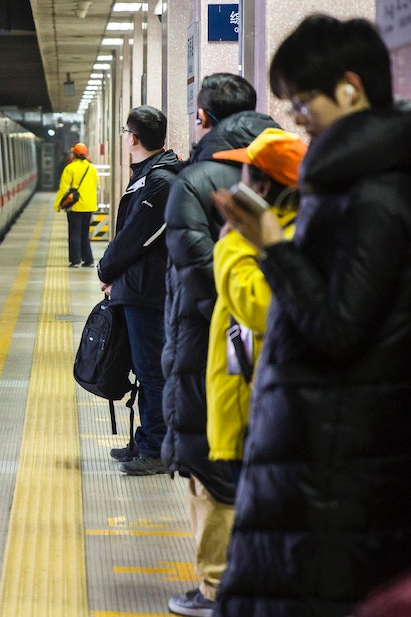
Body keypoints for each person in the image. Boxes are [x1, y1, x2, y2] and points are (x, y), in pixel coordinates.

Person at [212, 14, 411, 617]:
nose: (296, 118)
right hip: (319, 460)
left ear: (350, 87)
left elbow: (339, 330)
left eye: (301, 101)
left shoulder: (381, 195)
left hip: (336, 474)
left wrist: (274, 245)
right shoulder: (350, 185)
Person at [161, 73, 279, 617]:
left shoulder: (194, 180)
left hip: (214, 343)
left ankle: (215, 586)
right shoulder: (284, 172)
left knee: (208, 461)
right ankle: (253, 574)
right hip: (275, 335)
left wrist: (225, 320)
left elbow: (194, 271)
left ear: (202, 118)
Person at [205, 128, 306, 488]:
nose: (237, 182)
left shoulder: (287, 239)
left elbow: (261, 306)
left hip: (257, 416)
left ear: (260, 187)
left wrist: (230, 245)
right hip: (254, 411)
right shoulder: (283, 233)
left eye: (244, 173)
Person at [97, 106, 183, 472]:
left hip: (148, 290)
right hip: (138, 286)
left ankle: (157, 449)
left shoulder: (160, 181)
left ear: (132, 137)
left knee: (152, 369)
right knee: (144, 368)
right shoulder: (150, 175)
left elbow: (136, 236)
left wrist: (106, 269)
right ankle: (147, 440)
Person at [54, 142, 99, 267]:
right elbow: (97, 186)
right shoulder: (92, 168)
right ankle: (88, 260)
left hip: (75, 206)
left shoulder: (70, 168)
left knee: (74, 233)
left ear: (74, 154)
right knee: (84, 233)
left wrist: (57, 204)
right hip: (89, 206)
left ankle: (75, 260)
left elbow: (63, 188)